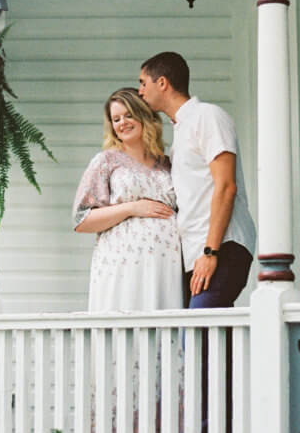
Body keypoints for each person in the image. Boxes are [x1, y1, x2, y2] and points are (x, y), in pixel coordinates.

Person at [138, 51, 255, 308]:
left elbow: (226, 187)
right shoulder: (181, 130)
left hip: (222, 246)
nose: (140, 91)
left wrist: (210, 252)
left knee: (196, 339)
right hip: (197, 253)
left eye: (143, 83)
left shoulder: (208, 116)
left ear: (162, 83)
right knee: (211, 343)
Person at [72, 87, 182, 312]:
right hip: (123, 266)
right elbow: (81, 219)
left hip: (165, 267)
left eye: (129, 115)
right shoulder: (107, 161)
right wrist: (132, 208)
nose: (122, 123)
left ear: (144, 115)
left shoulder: (167, 163)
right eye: (116, 119)